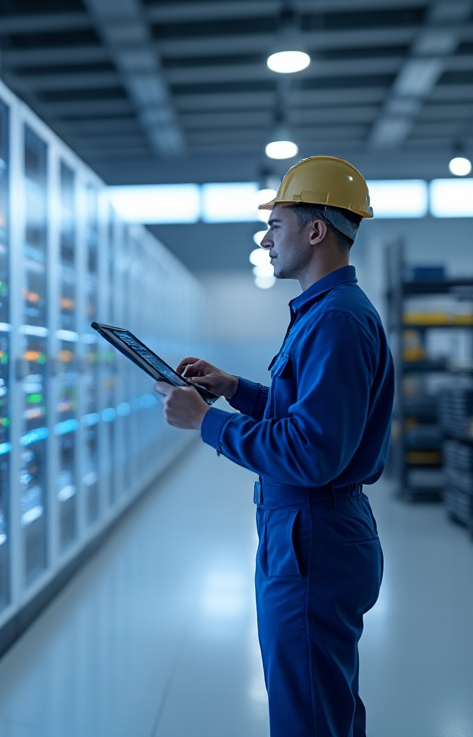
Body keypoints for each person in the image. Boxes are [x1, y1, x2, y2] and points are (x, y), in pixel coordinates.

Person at [154, 155, 394, 737]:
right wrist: (235, 390)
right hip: (311, 532)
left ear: (316, 231)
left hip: (315, 535)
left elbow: (312, 452)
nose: (265, 240)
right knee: (321, 702)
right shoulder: (323, 312)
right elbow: (307, 414)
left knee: (307, 714)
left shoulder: (335, 319)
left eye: (275, 225)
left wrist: (205, 423)